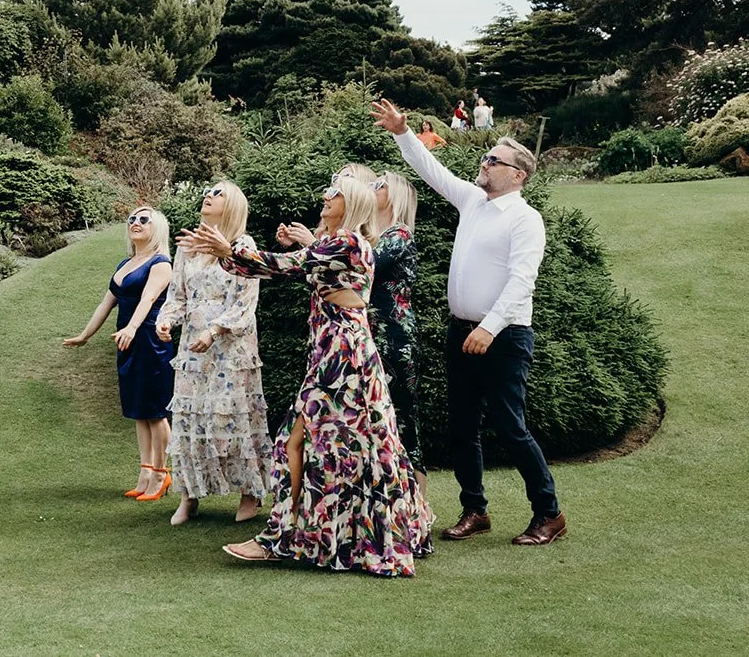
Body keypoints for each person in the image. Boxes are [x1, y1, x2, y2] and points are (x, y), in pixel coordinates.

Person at [184, 178, 432, 577]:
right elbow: (298, 262)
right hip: (335, 353)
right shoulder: (337, 244)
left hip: (343, 356)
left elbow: (286, 266)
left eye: (332, 194)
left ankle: (284, 538)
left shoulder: (349, 243)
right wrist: (234, 253)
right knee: (347, 447)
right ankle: (318, 536)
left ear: (349, 202)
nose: (323, 198)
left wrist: (231, 250)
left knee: (299, 442)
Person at [372, 98, 568, 546]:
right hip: (461, 331)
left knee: (509, 424)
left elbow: (522, 281)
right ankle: (474, 509)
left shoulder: (525, 219)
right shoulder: (472, 201)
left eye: (493, 160)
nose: (484, 163)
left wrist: (490, 327)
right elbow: (431, 170)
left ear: (517, 175)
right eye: (486, 157)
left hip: (504, 336)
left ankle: (549, 514)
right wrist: (402, 131)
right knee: (462, 426)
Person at [153, 183, 269, 526]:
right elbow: (178, 295)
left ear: (232, 205)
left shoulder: (243, 246)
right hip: (193, 349)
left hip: (231, 349)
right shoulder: (190, 248)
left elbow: (245, 304)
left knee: (234, 421)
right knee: (192, 418)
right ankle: (190, 495)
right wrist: (166, 321)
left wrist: (214, 330)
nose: (209, 195)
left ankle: (251, 493)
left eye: (217, 193)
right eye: (208, 191)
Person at [64, 206, 176, 500]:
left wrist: (132, 328)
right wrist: (85, 335)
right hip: (126, 340)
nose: (135, 223)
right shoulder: (125, 264)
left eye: (143, 220)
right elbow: (107, 302)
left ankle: (162, 475)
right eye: (132, 220)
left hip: (150, 340)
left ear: (157, 228)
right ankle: (144, 472)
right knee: (139, 411)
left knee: (156, 411)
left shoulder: (161, 263)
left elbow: (149, 298)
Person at [368, 172, 425, 493]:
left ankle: (420, 501)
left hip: (395, 338)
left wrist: (316, 245)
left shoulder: (399, 235)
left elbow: (365, 263)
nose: (372, 188)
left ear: (396, 196)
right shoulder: (371, 235)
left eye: (380, 184)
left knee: (403, 416)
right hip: (367, 336)